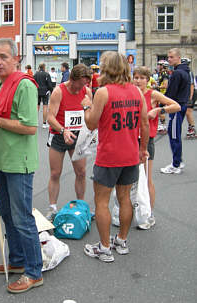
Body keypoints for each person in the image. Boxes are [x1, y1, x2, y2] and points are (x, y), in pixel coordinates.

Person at [0, 38, 43, 294]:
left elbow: (29, 127)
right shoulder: (0, 84)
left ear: (16, 58)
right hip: (2, 160)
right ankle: (17, 260)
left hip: (20, 162)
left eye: (3, 56)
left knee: (22, 217)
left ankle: (34, 271)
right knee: (6, 213)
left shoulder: (24, 85)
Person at [82, 51, 149, 262]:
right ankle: (121, 241)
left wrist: (86, 105)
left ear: (107, 68)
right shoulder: (137, 92)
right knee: (125, 198)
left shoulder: (103, 92)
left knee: (101, 201)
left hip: (109, 155)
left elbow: (91, 123)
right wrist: (142, 149)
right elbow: (145, 123)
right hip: (130, 153)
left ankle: (104, 247)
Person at [133, 66, 180, 229]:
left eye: (141, 78)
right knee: (128, 179)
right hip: (130, 140)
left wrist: (158, 109)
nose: (138, 81)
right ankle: (128, 212)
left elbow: (176, 106)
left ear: (148, 79)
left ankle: (149, 213)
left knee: (146, 179)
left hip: (146, 140)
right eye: (135, 77)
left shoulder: (152, 94)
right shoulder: (132, 92)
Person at [45, 64, 92, 221]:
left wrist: (88, 106)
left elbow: (90, 116)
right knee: (55, 173)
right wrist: (63, 130)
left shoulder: (86, 92)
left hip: (78, 136)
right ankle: (52, 208)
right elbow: (50, 117)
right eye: (80, 83)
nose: (82, 87)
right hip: (59, 135)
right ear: (73, 79)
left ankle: (81, 205)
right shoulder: (59, 91)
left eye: (85, 84)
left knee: (81, 172)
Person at [160, 48, 190, 174]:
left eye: (171, 57)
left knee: (174, 135)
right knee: (175, 134)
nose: (169, 59)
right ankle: (178, 161)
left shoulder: (177, 73)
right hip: (181, 105)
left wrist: (161, 104)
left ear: (178, 57)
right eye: (168, 57)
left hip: (176, 106)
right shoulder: (185, 71)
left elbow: (171, 93)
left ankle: (176, 164)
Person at [34, 63, 53, 128]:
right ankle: (44, 123)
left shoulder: (36, 74)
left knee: (37, 106)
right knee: (45, 106)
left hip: (37, 91)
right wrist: (51, 91)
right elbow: (50, 85)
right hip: (45, 92)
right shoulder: (46, 74)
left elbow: (33, 82)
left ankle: (35, 122)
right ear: (44, 67)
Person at [181, 58, 196, 138]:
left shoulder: (189, 72)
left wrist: (190, 98)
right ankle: (191, 127)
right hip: (188, 93)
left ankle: (192, 129)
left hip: (192, 93)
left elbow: (191, 85)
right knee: (187, 112)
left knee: (188, 111)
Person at [157, 60, 170, 133]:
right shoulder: (161, 74)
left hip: (163, 94)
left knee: (161, 110)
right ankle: (163, 125)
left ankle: (163, 126)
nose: (158, 66)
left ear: (163, 66)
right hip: (161, 94)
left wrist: (156, 87)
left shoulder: (165, 74)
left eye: (159, 65)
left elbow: (165, 85)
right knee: (160, 110)